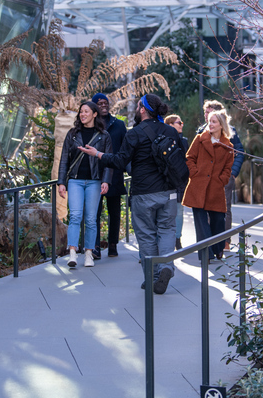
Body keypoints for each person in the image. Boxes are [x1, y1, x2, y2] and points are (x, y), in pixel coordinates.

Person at [78, 94, 178, 294]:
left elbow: (119, 162)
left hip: (144, 193)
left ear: (142, 109)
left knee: (147, 235)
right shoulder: (170, 131)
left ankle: (152, 277)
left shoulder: (135, 133)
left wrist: (97, 154)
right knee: (167, 230)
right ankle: (166, 266)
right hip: (168, 192)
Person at [57, 101, 112, 268]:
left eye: (86, 112)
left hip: (94, 181)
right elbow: (64, 159)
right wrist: (61, 182)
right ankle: (73, 252)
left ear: (94, 114)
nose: (82, 114)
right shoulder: (73, 134)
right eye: (81, 112)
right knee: (74, 216)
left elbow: (108, 161)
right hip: (75, 180)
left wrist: (106, 180)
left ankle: (89, 253)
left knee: (90, 219)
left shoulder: (104, 135)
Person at [182, 109, 234, 261]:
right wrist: (195, 173)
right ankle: (206, 254)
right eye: (209, 121)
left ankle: (218, 249)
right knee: (201, 222)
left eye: (214, 122)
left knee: (218, 220)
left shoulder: (228, 145)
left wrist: (222, 179)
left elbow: (228, 168)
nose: (210, 124)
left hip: (215, 189)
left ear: (221, 125)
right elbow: (189, 158)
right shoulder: (200, 139)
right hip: (198, 186)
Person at [195, 100, 245, 251]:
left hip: (224, 177)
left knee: (224, 208)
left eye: (209, 112)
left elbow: (239, 152)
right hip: (204, 178)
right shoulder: (201, 131)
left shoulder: (230, 131)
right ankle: (209, 242)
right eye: (205, 112)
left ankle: (225, 242)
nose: (205, 115)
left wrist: (232, 174)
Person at [91, 93, 128, 258]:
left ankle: (113, 244)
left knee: (114, 212)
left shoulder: (119, 125)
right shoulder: (90, 125)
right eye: (99, 103)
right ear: (94, 106)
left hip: (115, 173)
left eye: (106, 103)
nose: (104, 105)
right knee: (95, 213)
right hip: (95, 175)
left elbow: (126, 149)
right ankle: (96, 246)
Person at [165, 114, 188, 250]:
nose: (181, 125)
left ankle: (177, 239)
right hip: (167, 181)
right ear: (170, 125)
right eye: (179, 123)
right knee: (166, 212)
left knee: (179, 211)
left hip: (180, 181)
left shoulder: (184, 141)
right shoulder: (164, 140)